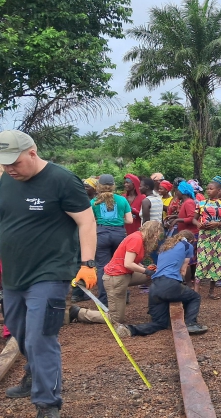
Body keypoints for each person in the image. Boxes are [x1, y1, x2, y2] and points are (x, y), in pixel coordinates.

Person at [0, 130, 98, 418]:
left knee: (41, 336)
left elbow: (87, 222)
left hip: (50, 272)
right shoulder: (6, 179)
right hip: (14, 274)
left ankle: (48, 403)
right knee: (19, 331)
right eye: (4, 163)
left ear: (32, 152)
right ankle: (33, 373)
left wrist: (88, 263)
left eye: (14, 162)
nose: (9, 168)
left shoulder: (62, 180)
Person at [115, 230, 208, 337]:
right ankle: (191, 323)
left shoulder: (165, 247)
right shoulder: (187, 245)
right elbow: (183, 270)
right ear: (191, 240)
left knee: (160, 323)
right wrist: (182, 283)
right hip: (169, 283)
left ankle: (131, 329)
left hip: (155, 286)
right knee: (194, 297)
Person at [102, 220, 162, 323]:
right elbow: (128, 264)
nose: (157, 237)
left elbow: (134, 261)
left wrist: (147, 269)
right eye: (157, 234)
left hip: (125, 274)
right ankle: (79, 313)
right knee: (116, 318)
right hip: (115, 277)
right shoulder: (136, 239)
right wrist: (146, 271)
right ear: (152, 231)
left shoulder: (139, 238)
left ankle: (155, 310)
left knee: (156, 276)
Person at [86, 174, 133, 305]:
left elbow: (89, 221)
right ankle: (123, 296)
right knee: (120, 265)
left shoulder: (93, 202)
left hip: (101, 234)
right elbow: (129, 220)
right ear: (113, 186)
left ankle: (103, 300)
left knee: (102, 267)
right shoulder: (122, 200)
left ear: (99, 186)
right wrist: (117, 220)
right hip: (119, 234)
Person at [193, 177, 221, 298]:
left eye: (211, 189)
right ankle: (195, 293)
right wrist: (198, 224)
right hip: (204, 236)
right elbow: (193, 219)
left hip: (218, 237)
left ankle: (211, 291)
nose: (208, 191)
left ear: (218, 190)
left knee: (215, 262)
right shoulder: (200, 203)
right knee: (201, 261)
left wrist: (218, 224)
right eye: (207, 189)